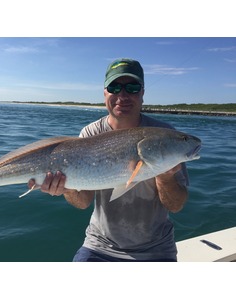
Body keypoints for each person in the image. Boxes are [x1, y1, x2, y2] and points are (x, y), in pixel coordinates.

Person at [35, 58, 189, 262]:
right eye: (114, 87)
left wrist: (166, 177)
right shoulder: (91, 133)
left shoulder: (165, 136)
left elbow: (175, 206)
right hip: (99, 246)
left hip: (156, 248)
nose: (122, 95)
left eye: (132, 87)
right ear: (105, 92)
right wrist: (67, 188)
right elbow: (82, 203)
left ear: (142, 93)